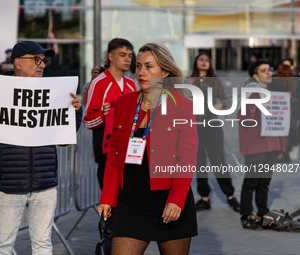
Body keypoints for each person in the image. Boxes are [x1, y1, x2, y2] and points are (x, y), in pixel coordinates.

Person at [0, 40, 83, 254]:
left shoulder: (53, 94)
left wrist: (74, 112)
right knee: (3, 245)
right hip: (10, 186)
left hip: (45, 185)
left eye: (44, 60)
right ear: (18, 63)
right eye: (36, 60)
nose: (42, 65)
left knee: (42, 244)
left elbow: (64, 139)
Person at [97, 42, 198, 254]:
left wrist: (177, 200)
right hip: (130, 202)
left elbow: (187, 158)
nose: (141, 72)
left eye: (149, 67)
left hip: (169, 201)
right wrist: (107, 197)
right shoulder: (123, 103)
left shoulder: (183, 106)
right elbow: (114, 156)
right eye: (139, 66)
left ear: (165, 71)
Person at [189, 52, 240, 212]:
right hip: (195, 125)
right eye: (201, 60)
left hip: (212, 124)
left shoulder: (215, 81)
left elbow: (227, 100)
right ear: (196, 63)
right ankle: (204, 198)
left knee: (218, 161)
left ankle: (230, 196)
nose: (204, 62)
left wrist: (220, 105)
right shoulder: (190, 81)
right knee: (200, 161)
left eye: (207, 60)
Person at [237, 59, 285, 229]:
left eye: (269, 69)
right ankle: (246, 215)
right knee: (251, 181)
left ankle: (263, 212)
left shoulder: (272, 94)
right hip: (255, 145)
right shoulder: (251, 92)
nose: (268, 73)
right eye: (264, 70)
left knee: (264, 181)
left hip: (270, 144)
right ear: (255, 76)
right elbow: (243, 118)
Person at [84, 38, 137, 189]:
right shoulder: (98, 83)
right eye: (122, 54)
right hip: (107, 154)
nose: (128, 59)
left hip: (129, 153)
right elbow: (87, 121)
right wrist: (103, 115)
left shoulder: (131, 84)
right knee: (110, 205)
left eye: (130, 55)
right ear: (111, 57)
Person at [270, 63, 298, 163]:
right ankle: (286, 154)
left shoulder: (275, 80)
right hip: (289, 109)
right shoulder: (291, 81)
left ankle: (277, 153)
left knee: (276, 131)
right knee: (287, 132)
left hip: (277, 108)